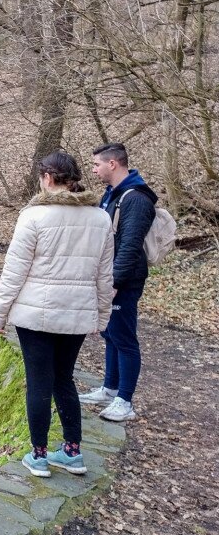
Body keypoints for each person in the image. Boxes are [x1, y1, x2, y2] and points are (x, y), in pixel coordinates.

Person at [0, 151, 114, 478]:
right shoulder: (100, 218)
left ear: (46, 178)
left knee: (38, 384)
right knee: (64, 380)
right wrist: (102, 317)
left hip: (36, 317)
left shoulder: (34, 216)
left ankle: (39, 456)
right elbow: (104, 276)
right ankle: (72, 452)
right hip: (76, 317)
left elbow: (13, 273)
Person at [79, 142, 158, 422]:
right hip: (110, 277)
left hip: (124, 280)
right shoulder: (113, 194)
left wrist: (113, 282)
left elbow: (129, 246)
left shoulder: (136, 199)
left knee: (124, 338)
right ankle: (110, 388)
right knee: (109, 334)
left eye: (97, 164)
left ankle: (125, 401)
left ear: (113, 164)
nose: (93, 169)